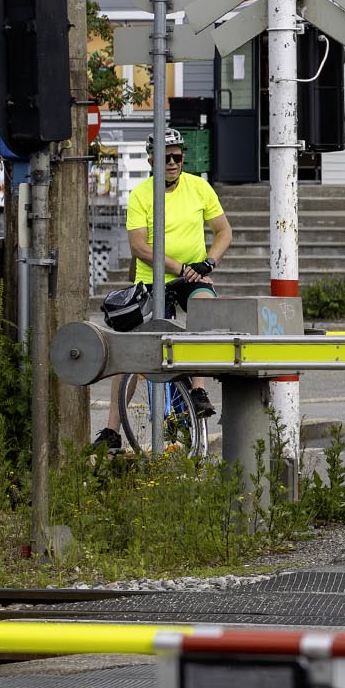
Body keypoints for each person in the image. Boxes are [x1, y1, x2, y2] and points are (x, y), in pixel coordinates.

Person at [95, 131, 233, 449]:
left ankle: (197, 390)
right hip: (153, 280)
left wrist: (208, 264)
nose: (171, 163)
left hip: (192, 278)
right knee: (130, 354)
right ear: (151, 159)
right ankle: (112, 431)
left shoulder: (199, 187)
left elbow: (224, 231)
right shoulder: (142, 194)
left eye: (177, 157)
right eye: (164, 157)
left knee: (204, 311)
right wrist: (179, 268)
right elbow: (140, 246)